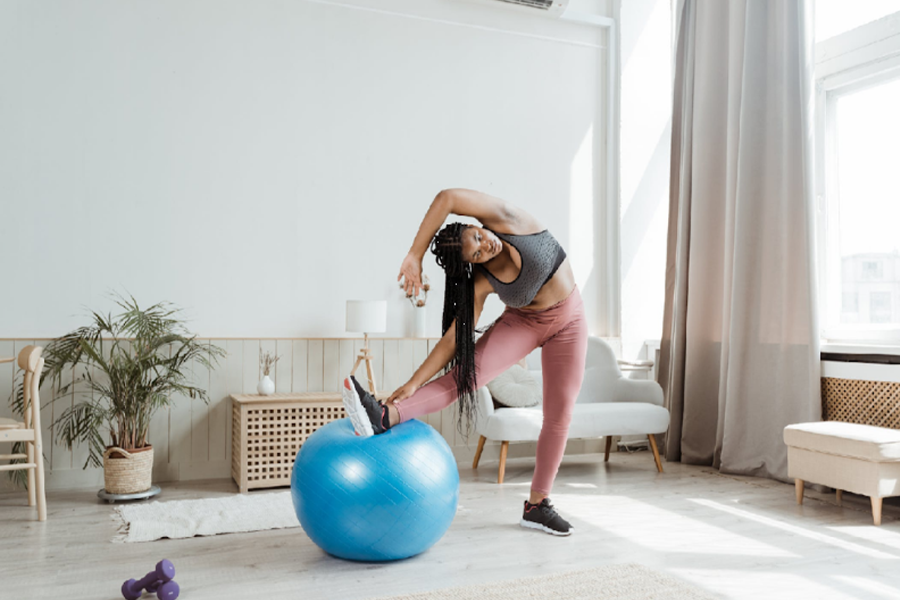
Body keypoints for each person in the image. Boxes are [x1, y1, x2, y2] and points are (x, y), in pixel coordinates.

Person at [341, 188, 588, 536]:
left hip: (570, 320)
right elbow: (452, 343)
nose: (486, 245)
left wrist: (415, 255)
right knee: (463, 377)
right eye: (477, 253)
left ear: (476, 226)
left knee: (560, 414)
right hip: (524, 323)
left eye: (478, 236)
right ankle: (383, 415)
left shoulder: (508, 221)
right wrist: (414, 381)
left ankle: (537, 505)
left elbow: (447, 197)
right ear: (472, 265)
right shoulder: (481, 281)